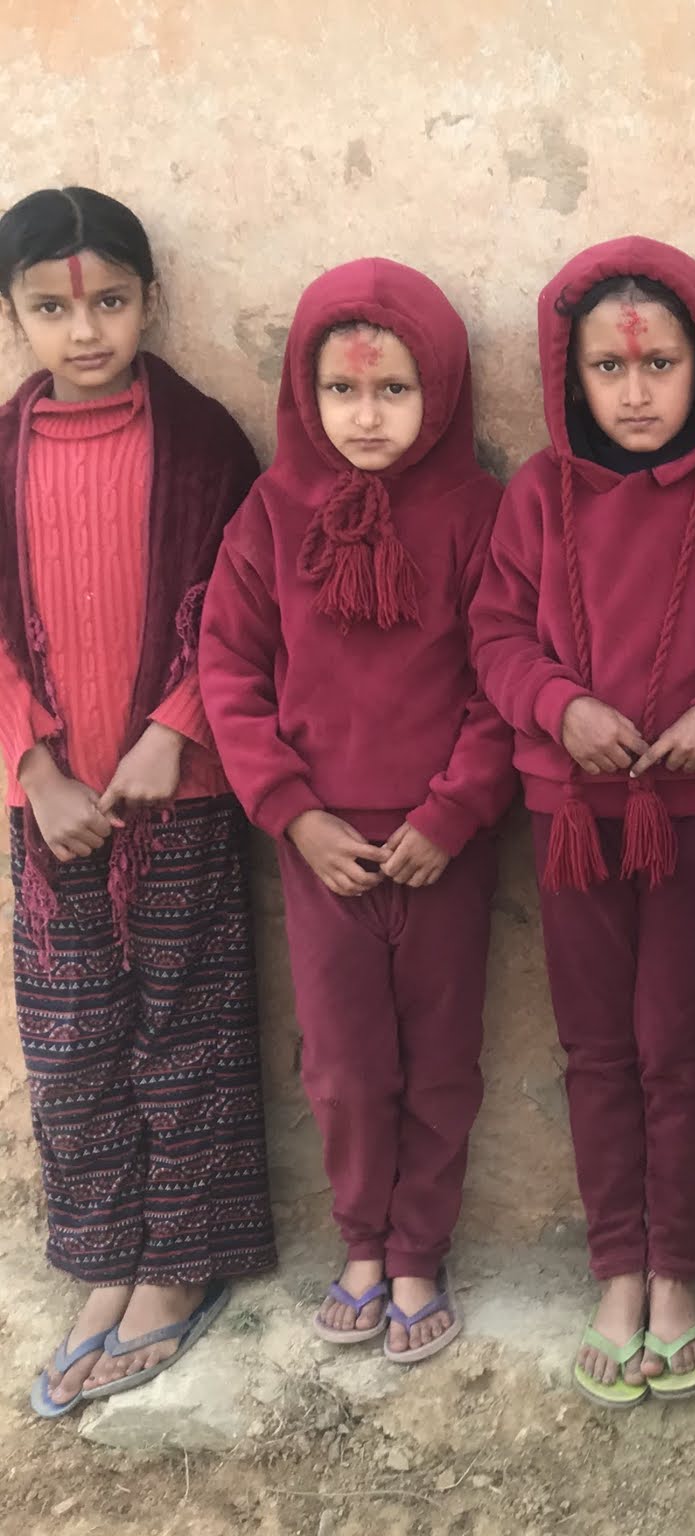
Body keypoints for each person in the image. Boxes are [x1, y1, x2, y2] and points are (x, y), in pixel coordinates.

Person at [470, 236, 695, 1407]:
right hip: (573, 813)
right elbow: (495, 634)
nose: (633, 393)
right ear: (568, 375)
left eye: (659, 365)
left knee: (679, 1046)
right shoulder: (536, 493)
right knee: (595, 1049)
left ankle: (676, 1275)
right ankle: (614, 1269)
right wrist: (557, 708)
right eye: (608, 369)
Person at [201, 258, 515, 1363]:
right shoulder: (271, 514)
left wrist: (452, 813)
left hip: (442, 845)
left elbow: (500, 674)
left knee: (441, 1058)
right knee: (342, 1065)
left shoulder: (477, 514)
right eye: (341, 390)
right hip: (320, 845)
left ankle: (420, 1250)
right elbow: (228, 671)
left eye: (393, 390)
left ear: (442, 391)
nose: (366, 416)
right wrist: (293, 814)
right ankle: (363, 1247)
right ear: (306, 392)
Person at [1, 187, 273, 1416]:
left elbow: (239, 607)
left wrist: (177, 729)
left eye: (110, 301)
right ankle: (105, 1258)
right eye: (52, 309)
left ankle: (179, 1267)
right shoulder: (1, 453)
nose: (85, 330)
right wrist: (33, 768)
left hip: (182, 792)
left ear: (150, 301)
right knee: (71, 1044)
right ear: (13, 317)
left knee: (185, 1029)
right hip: (51, 805)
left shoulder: (206, 444)